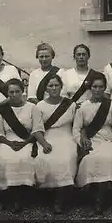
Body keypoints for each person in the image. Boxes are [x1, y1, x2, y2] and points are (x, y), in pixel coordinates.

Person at [0, 79, 51, 213]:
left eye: (17, 91)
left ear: (23, 92)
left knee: (25, 158)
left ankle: (22, 195)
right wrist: (9, 143)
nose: (14, 95)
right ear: (7, 93)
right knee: (5, 158)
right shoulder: (2, 110)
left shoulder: (32, 108)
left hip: (27, 140)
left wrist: (25, 143)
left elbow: (37, 129)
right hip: (8, 141)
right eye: (11, 92)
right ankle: (9, 195)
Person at [72, 73, 112, 215]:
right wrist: (81, 141)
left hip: (108, 140)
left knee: (107, 159)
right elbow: (76, 130)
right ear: (90, 88)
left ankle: (100, 200)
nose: (97, 90)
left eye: (101, 87)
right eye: (95, 87)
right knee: (89, 160)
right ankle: (94, 196)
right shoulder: (83, 107)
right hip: (91, 140)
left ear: (105, 88)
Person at [34, 74, 78, 214]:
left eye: (56, 85)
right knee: (44, 158)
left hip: (66, 136)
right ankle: (50, 193)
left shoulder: (70, 104)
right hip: (47, 136)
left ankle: (61, 198)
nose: (54, 88)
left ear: (61, 87)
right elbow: (37, 129)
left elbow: (77, 127)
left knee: (66, 158)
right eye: (50, 86)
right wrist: (44, 143)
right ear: (46, 88)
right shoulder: (40, 105)